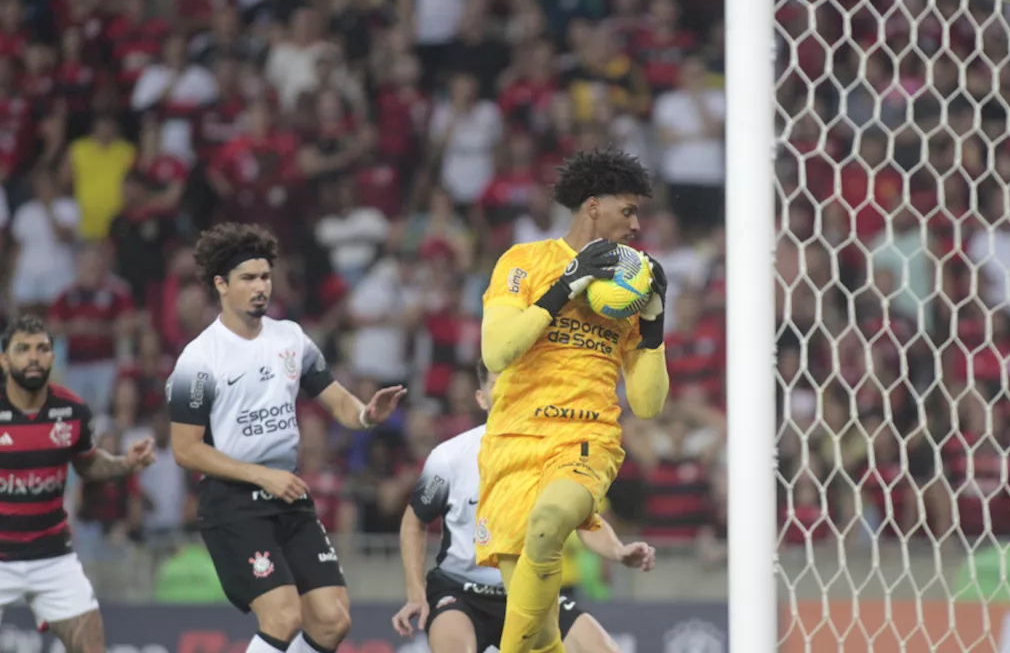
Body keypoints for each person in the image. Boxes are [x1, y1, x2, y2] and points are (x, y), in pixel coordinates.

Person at [167, 223, 406, 653]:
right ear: (221, 284)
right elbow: (185, 449)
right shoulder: (199, 358)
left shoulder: (290, 338)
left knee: (332, 620)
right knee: (282, 615)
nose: (261, 287)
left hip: (288, 497)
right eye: (248, 278)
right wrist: (260, 475)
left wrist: (367, 415)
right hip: (233, 504)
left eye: (265, 276)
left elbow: (338, 402)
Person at [476, 149, 670, 653]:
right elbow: (497, 350)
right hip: (512, 441)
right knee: (541, 637)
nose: (636, 222)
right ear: (592, 206)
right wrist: (565, 287)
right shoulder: (524, 262)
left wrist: (654, 326)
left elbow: (647, 405)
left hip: (585, 438)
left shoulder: (632, 288)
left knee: (548, 523)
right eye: (627, 210)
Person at [392, 362, 656, 652]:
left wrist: (619, 550)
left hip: (529, 589)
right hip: (461, 593)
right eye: (498, 385)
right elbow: (413, 522)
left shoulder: (554, 454)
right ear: (481, 398)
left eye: (517, 383)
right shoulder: (450, 457)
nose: (509, 391)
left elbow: (585, 519)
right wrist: (415, 593)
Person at [0, 314, 157, 653]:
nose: (33, 357)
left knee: (91, 647)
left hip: (52, 556)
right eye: (23, 349)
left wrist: (126, 463)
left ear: (53, 357)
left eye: (42, 349)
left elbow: (88, 464)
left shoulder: (71, 410)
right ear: (4, 358)